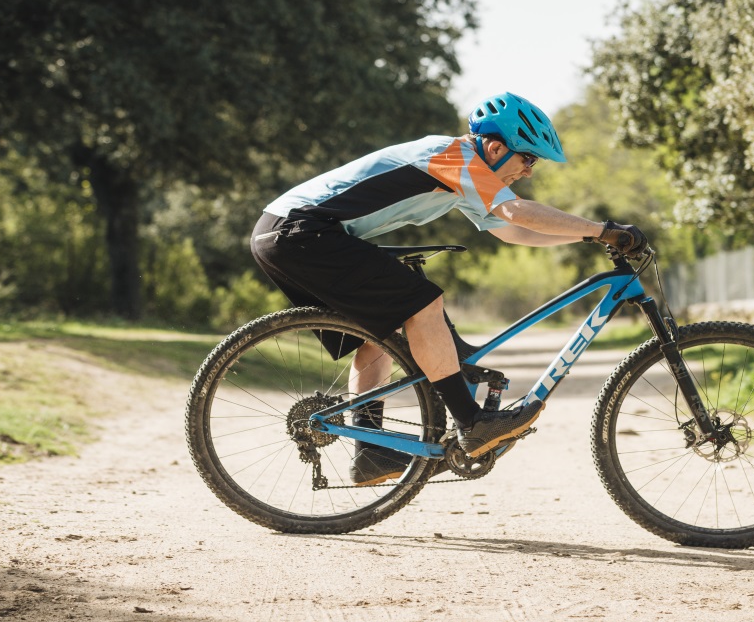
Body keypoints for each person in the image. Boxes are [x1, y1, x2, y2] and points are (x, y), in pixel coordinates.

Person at [250, 92, 646, 485]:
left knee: (380, 331)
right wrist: (602, 228)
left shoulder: (465, 175)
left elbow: (512, 230)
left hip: (290, 232)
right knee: (424, 304)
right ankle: (471, 422)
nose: (528, 172)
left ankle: (369, 452)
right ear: (494, 148)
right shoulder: (453, 156)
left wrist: (589, 238)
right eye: (528, 158)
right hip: (299, 231)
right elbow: (515, 210)